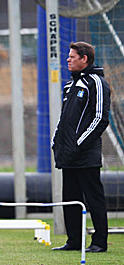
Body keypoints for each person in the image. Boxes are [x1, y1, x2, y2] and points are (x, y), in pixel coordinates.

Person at [51, 41, 111, 253]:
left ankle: (99, 242)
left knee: (93, 198)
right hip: (68, 154)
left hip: (86, 154)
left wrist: (79, 144)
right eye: (68, 56)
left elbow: (100, 119)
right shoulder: (69, 85)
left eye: (72, 57)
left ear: (84, 59)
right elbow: (64, 119)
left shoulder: (97, 82)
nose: (68, 60)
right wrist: (56, 141)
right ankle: (74, 241)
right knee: (70, 198)